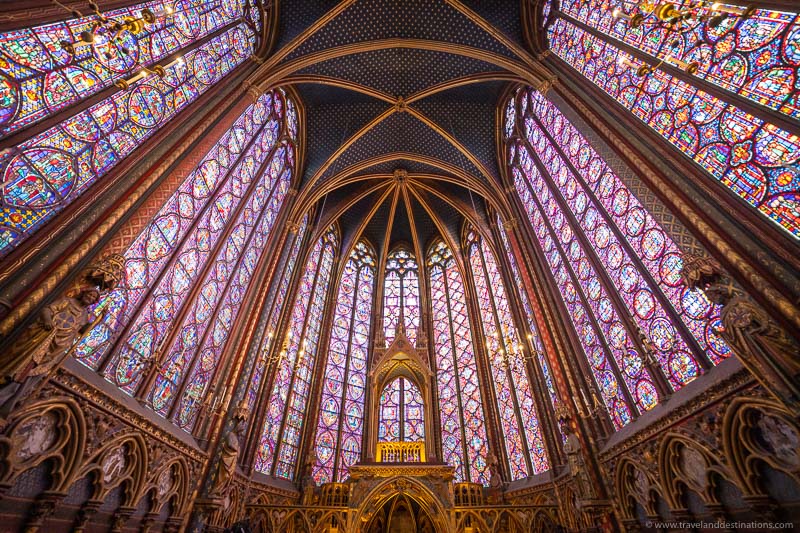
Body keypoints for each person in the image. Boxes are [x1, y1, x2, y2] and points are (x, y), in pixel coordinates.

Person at [0, 286, 101, 416]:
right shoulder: (67, 301)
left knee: (32, 377)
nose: (90, 298)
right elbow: (47, 309)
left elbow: (80, 330)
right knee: (22, 370)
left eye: (93, 298)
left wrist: (94, 324)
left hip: (56, 350)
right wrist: (47, 320)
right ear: (84, 293)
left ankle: (8, 405)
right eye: (90, 294)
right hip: (43, 340)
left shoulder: (84, 316)